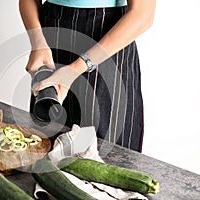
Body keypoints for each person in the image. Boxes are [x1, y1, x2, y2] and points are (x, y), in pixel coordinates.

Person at [19, 0, 156, 152]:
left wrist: (75, 69)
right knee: (46, 142)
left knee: (105, 155)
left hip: (107, 42)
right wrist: (38, 42)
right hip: (53, 36)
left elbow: (143, 14)